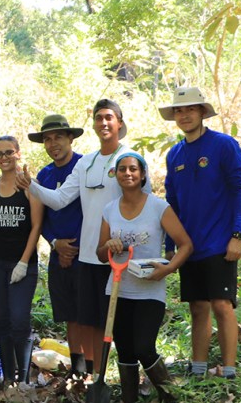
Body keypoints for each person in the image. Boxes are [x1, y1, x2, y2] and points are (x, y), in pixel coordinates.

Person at [17, 99, 150, 375]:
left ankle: (118, 376)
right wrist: (31, 186)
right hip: (90, 256)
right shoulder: (87, 163)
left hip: (120, 255)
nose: (103, 123)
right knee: (88, 319)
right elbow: (60, 198)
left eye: (109, 118)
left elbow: (142, 203)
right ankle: (91, 377)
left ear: (119, 124)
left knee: (116, 321)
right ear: (93, 124)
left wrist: (137, 242)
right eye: (98, 118)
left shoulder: (130, 160)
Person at [160, 86, 241, 379]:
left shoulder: (223, 145)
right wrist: (170, 242)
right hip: (189, 244)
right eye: (179, 111)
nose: (184, 115)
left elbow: (240, 188)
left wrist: (238, 234)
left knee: (222, 305)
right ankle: (198, 370)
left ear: (201, 112)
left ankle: (229, 371)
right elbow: (172, 202)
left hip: (220, 242)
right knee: (197, 306)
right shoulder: (175, 155)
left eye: (190, 109)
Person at [97, 151, 192, 403]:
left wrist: (168, 269)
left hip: (149, 290)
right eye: (122, 169)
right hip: (117, 290)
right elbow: (100, 253)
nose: (127, 173)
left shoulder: (158, 207)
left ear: (142, 175)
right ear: (116, 175)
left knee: (143, 347)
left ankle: (173, 400)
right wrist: (109, 245)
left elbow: (185, 245)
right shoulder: (109, 210)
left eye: (133, 169)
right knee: (125, 350)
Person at [0, 136, 43, 387]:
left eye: (8, 152)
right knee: (2, 318)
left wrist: (23, 261)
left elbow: (37, 226)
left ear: (18, 153)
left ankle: (24, 377)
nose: (3, 157)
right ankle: (8, 378)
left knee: (19, 319)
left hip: (22, 262)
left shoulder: (30, 186)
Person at [29, 114, 88, 377]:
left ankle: (95, 366)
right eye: (48, 139)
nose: (53, 144)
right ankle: (78, 367)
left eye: (58, 137)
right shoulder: (44, 174)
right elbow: (42, 219)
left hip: (86, 253)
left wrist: (72, 247)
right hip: (57, 254)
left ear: (70, 138)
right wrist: (56, 244)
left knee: (90, 313)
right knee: (70, 314)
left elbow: (93, 211)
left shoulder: (85, 166)